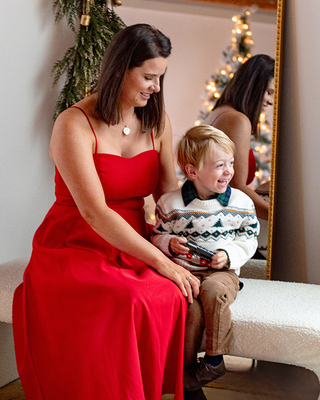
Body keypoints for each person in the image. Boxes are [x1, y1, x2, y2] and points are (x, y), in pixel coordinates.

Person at [12, 24, 200, 400]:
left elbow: (166, 194)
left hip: (134, 236)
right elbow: (95, 212)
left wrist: (186, 234)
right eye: (148, 77)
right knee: (128, 300)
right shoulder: (73, 123)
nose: (156, 87)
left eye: (160, 77)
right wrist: (161, 262)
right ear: (119, 69)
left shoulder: (157, 122)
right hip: (75, 242)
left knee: (171, 296)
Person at [151, 125, 259, 396]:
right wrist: (169, 244)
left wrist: (229, 255)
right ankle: (188, 381)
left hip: (222, 275)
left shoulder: (240, 202)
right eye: (220, 165)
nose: (229, 171)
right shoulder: (170, 203)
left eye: (231, 163)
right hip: (185, 273)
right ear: (192, 171)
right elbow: (156, 237)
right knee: (191, 310)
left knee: (212, 291)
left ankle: (214, 360)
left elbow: (249, 238)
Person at [205, 54, 275, 221]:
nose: (271, 101)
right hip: (220, 221)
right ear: (254, 86)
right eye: (269, 92)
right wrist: (278, 218)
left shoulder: (220, 111)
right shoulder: (238, 120)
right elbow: (236, 187)